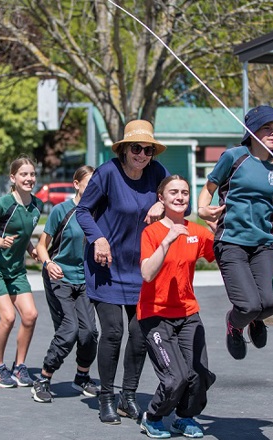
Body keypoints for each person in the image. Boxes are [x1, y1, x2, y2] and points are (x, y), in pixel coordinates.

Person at [76, 119, 169, 425]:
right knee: (113, 331)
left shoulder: (157, 174)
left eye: (148, 150)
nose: (142, 154)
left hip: (140, 269)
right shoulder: (107, 173)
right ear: (125, 149)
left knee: (141, 335)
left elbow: (180, 198)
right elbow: (83, 211)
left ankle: (128, 397)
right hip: (106, 265)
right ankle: (106, 396)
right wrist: (98, 237)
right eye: (136, 148)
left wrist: (163, 207)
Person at [197, 105, 273, 360]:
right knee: (249, 305)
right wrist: (202, 209)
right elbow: (210, 187)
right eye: (267, 127)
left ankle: (254, 320)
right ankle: (235, 323)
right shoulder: (234, 157)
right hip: (231, 241)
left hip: (263, 243)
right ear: (252, 131)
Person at [137, 175, 217, 439]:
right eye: (173, 192)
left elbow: (221, 256)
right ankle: (154, 416)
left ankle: (184, 417)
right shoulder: (152, 232)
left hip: (187, 313)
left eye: (184, 192)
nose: (180, 196)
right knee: (175, 378)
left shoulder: (197, 232)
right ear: (162, 198)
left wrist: (218, 231)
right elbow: (147, 273)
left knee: (199, 375)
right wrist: (168, 240)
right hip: (155, 315)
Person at [32, 166, 99, 403]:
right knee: (69, 330)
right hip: (59, 277)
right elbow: (41, 246)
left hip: (85, 281)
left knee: (90, 332)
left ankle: (82, 376)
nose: (94, 188)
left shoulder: (99, 212)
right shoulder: (61, 210)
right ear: (77, 184)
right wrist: (49, 263)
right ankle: (43, 378)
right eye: (89, 183)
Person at [0, 156, 42, 389]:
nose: (29, 178)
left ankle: (19, 367)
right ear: (13, 178)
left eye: (32, 174)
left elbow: (23, 234)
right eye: (24, 174)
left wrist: (32, 248)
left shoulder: (37, 206)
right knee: (8, 317)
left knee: (30, 315)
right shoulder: (2, 204)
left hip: (16, 269)